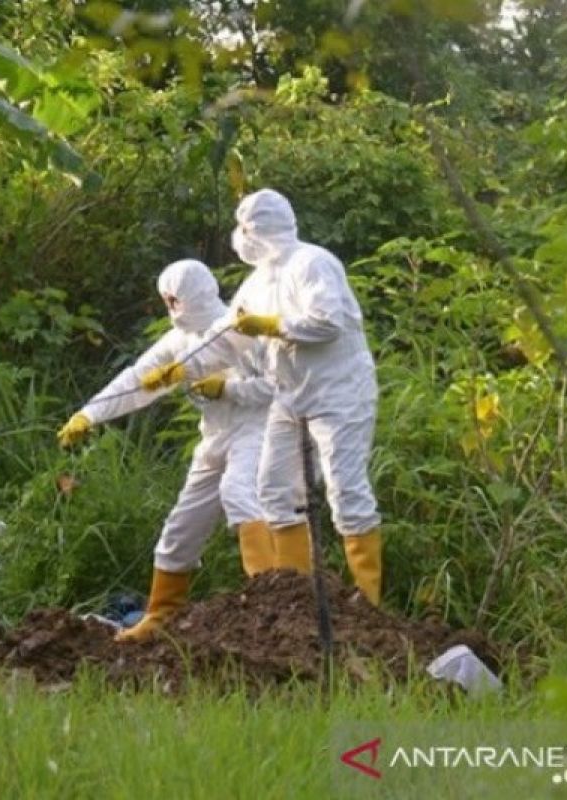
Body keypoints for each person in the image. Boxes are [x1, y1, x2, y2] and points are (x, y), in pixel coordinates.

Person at [149, 189, 384, 605]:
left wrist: (273, 325)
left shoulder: (313, 263)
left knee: (345, 490)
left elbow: (327, 323)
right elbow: (227, 341)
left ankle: (367, 599)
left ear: (262, 229)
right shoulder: (254, 286)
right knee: (274, 489)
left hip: (340, 392)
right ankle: (297, 598)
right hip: (290, 396)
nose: (240, 238)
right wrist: (185, 367)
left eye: (245, 228)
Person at [57, 259, 277, 642]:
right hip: (215, 437)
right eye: (166, 300)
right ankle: (161, 615)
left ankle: (275, 605)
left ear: (192, 295)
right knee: (181, 525)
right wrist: (88, 415)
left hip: (256, 428)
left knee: (240, 493)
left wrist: (227, 388)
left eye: (174, 299)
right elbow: (137, 381)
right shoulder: (178, 341)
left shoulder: (239, 329)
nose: (170, 308)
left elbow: (278, 387)